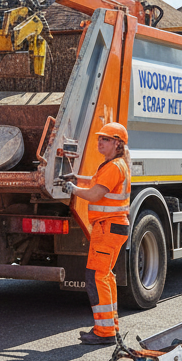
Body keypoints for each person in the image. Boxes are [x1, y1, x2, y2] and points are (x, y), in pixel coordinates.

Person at [63, 122, 131, 346]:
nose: (100, 142)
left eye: (106, 139)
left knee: (97, 276)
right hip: (112, 227)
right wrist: (77, 178)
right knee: (105, 276)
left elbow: (94, 194)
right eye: (100, 138)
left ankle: (104, 331)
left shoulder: (114, 167)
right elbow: (95, 183)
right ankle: (109, 326)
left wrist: (73, 189)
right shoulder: (114, 165)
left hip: (108, 228)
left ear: (117, 144)